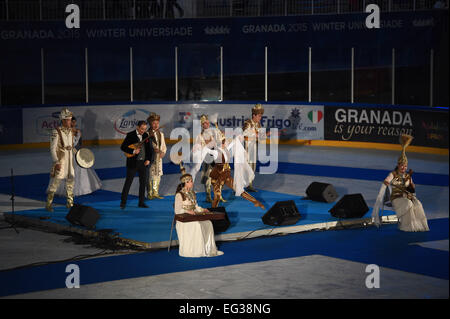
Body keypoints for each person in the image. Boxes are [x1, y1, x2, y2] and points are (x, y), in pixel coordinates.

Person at [372, 134, 429, 232]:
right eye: (402, 166)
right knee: (408, 204)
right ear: (398, 165)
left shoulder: (407, 176)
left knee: (418, 204)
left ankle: (418, 224)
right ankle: (406, 226)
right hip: (396, 198)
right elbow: (387, 180)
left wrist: (411, 186)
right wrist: (386, 182)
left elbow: (412, 188)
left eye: (405, 166)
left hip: (406, 196)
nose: (404, 168)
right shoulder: (393, 174)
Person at [174, 166, 223, 257]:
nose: (192, 183)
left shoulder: (192, 193)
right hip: (184, 220)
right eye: (191, 181)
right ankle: (197, 251)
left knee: (208, 223)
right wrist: (188, 212)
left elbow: (195, 207)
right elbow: (177, 211)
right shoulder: (179, 195)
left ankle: (208, 249)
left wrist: (202, 209)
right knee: (197, 225)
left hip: (193, 216)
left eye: (192, 181)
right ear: (186, 182)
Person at [209, 135, 265, 210]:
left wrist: (237, 139)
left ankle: (256, 202)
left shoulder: (226, 149)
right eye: (226, 142)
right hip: (217, 178)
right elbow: (208, 151)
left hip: (226, 176)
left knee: (239, 189)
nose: (228, 143)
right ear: (222, 143)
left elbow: (233, 144)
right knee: (217, 197)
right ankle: (212, 211)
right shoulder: (216, 152)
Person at [55, 117, 102, 197]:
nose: (73, 124)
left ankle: (81, 189)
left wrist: (82, 153)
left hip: (74, 152)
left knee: (80, 170)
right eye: (71, 122)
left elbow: (80, 144)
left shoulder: (77, 131)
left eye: (74, 122)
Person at [45, 108, 76, 212]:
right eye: (67, 120)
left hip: (69, 162)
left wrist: (79, 155)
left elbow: (71, 146)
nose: (70, 122)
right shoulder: (56, 131)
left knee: (70, 181)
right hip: (61, 161)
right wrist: (56, 162)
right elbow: (52, 148)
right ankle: (49, 204)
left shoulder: (71, 131)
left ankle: (70, 203)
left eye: (70, 119)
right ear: (62, 120)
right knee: (55, 182)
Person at [120, 120, 153, 209]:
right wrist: (133, 151)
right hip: (133, 163)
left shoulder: (146, 135)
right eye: (142, 129)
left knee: (143, 183)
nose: (143, 131)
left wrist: (148, 159)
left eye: (145, 129)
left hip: (143, 163)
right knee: (128, 183)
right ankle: (123, 202)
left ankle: (141, 202)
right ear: (137, 127)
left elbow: (149, 149)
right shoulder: (130, 135)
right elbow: (123, 147)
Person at [195, 114, 222, 203]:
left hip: (215, 157)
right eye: (204, 123)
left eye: (207, 123)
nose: (206, 125)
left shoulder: (214, 133)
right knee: (208, 178)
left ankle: (218, 195)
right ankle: (208, 196)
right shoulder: (199, 136)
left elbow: (220, 142)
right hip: (207, 158)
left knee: (218, 177)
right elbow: (198, 148)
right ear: (202, 125)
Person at [243, 103, 267, 192]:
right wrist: (256, 134)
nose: (260, 118)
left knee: (253, 166)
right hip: (247, 148)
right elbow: (244, 134)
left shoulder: (258, 125)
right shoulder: (248, 123)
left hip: (254, 147)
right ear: (254, 115)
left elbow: (261, 137)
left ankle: (249, 184)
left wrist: (264, 135)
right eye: (259, 116)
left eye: (261, 116)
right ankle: (239, 186)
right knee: (245, 167)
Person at [147, 112, 167, 200]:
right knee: (150, 175)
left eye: (157, 123)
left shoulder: (161, 134)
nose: (156, 125)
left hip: (159, 158)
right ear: (150, 124)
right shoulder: (147, 134)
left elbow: (163, 145)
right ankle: (149, 193)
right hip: (151, 158)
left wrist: (163, 152)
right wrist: (153, 149)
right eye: (154, 123)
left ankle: (156, 192)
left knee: (158, 174)